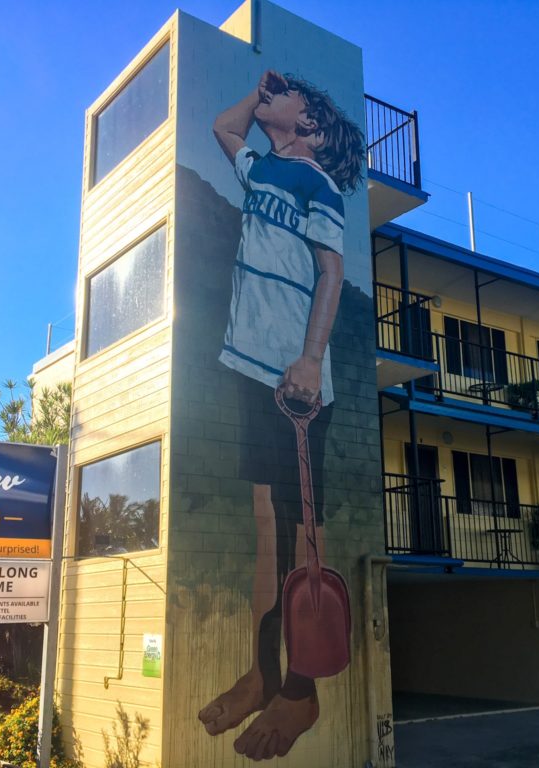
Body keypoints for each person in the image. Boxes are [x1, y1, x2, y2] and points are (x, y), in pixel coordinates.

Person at [197, 69, 363, 761]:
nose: (273, 95)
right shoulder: (262, 169)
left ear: (315, 124)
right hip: (246, 363)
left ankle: (301, 688)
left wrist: (309, 358)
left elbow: (330, 272)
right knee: (267, 528)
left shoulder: (316, 185)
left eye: (290, 91)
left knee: (301, 534)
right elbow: (223, 129)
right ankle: (264, 671)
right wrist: (262, 97)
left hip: (294, 379)